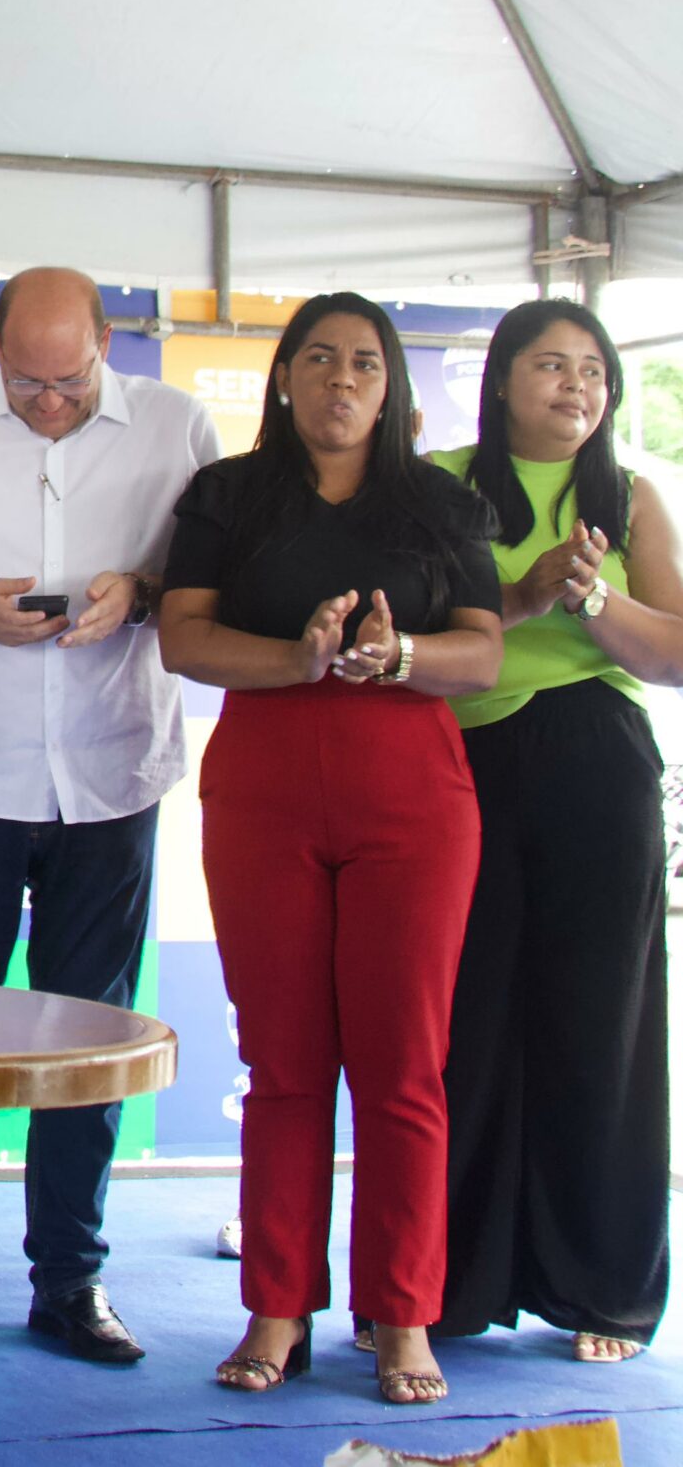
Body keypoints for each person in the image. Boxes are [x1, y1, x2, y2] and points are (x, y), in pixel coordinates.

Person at [0, 266, 219, 1365]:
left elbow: (209, 582)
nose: (51, 402)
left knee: (89, 1034)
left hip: (111, 773)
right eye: (27, 383)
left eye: (70, 381)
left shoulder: (177, 424)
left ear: (107, 341)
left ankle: (70, 1275)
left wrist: (140, 592)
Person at [159, 290, 501, 1404]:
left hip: (410, 797)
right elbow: (181, 637)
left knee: (404, 1067)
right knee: (285, 1063)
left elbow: (485, 655)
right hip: (265, 788)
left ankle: (402, 1314)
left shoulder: (442, 504)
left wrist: (399, 658)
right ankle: (277, 1305)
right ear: (283, 377)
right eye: (317, 358)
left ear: (389, 384)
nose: (340, 379)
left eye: (362, 361)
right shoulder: (227, 493)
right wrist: (295, 659)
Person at [432, 300, 680, 1362]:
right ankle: (447, 1283)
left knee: (599, 1025)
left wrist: (592, 603)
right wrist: (524, 596)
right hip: (464, 762)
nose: (576, 386)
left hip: (597, 761)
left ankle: (601, 1291)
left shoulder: (630, 496)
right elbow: (417, 623)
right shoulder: (440, 483)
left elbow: (674, 652)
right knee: (464, 1022)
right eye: (551, 364)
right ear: (499, 379)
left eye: (593, 370)